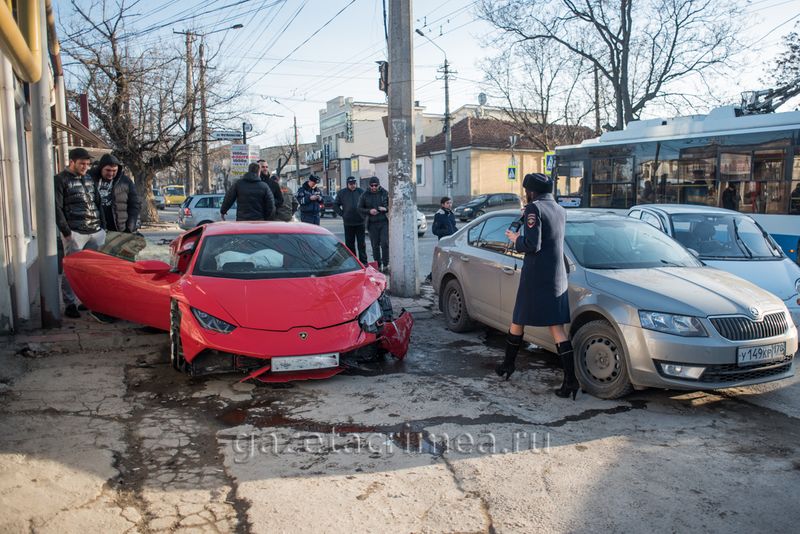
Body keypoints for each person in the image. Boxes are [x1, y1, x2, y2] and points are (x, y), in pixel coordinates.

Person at [497, 173, 578, 400]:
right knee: (550, 326)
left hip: (536, 277)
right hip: (555, 276)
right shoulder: (559, 209)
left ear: (530, 191)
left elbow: (532, 244)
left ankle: (508, 365)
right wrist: (529, 218)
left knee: (520, 318)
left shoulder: (534, 209)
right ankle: (570, 381)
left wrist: (516, 238)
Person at [55, 147, 106, 319]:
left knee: (91, 270)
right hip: (75, 232)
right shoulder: (60, 180)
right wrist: (66, 231)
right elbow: (57, 207)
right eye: (82, 163)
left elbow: (98, 202)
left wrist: (102, 227)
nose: (85, 166)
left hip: (95, 230)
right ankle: (70, 304)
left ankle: (87, 300)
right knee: (71, 269)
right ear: (72, 162)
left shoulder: (90, 178)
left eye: (87, 163)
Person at [90, 154, 140, 233]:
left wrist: (130, 227)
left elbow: (134, 205)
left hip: (118, 228)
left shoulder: (125, 181)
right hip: (94, 228)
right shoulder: (89, 178)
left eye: (114, 171)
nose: (111, 173)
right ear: (101, 168)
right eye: (108, 170)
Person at [358, 176, 390, 272]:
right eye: (372, 185)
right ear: (369, 185)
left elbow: (392, 205)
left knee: (385, 243)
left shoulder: (385, 193)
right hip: (372, 223)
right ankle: (377, 264)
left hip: (383, 221)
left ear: (379, 185)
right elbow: (359, 208)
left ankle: (386, 264)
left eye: (375, 185)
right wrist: (369, 211)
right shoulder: (365, 195)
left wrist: (386, 209)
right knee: (375, 245)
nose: (374, 187)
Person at [335, 176, 368, 263]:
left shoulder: (361, 192)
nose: (352, 185)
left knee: (362, 244)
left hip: (360, 222)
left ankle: (364, 262)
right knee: (350, 244)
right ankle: (353, 262)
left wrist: (364, 214)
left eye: (354, 183)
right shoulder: (342, 193)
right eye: (350, 184)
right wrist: (343, 214)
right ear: (347, 184)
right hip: (348, 223)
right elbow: (335, 205)